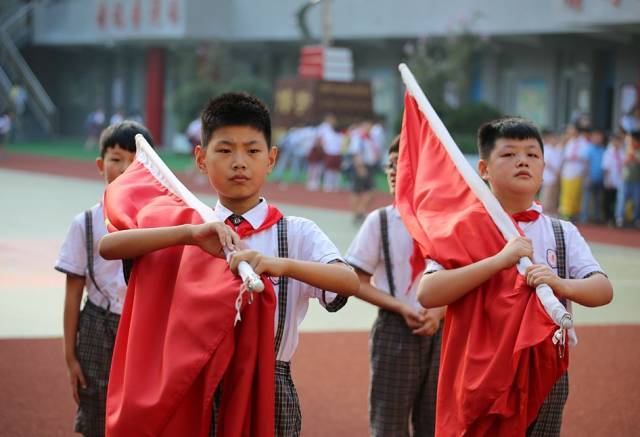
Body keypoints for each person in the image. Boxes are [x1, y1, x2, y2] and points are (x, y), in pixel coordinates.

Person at [99, 92, 360, 436]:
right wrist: (190, 234)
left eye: (252, 151)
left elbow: (348, 282)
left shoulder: (296, 233)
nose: (239, 162)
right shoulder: (190, 226)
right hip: (195, 378)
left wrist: (279, 265)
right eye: (224, 150)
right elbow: (109, 246)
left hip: (269, 382)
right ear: (201, 159)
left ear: (271, 159)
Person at [418, 117, 613, 436]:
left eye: (532, 155)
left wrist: (559, 283)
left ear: (544, 167)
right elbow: (429, 292)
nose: (523, 161)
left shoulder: (561, 232)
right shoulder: (464, 228)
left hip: (546, 367)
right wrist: (498, 261)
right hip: (478, 373)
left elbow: (602, 290)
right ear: (483, 169)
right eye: (509, 154)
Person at [54, 121, 155, 436]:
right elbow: (73, 294)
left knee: (142, 407)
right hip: (97, 325)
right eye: (115, 158)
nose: (124, 168)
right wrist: (70, 357)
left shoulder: (159, 225)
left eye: (135, 159)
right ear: (100, 164)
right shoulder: (85, 223)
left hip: (142, 325)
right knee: (96, 408)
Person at [345, 135, 444, 436]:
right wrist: (400, 306)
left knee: (437, 422)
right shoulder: (381, 221)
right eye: (389, 165)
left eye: (401, 164)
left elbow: (468, 277)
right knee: (389, 422)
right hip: (395, 329)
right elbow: (356, 281)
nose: (391, 171)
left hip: (443, 330)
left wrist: (439, 312)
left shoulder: (446, 222)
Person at [349, 120, 379, 224]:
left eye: (370, 125)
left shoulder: (371, 138)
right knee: (357, 191)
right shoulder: (358, 137)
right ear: (362, 126)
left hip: (370, 166)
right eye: (367, 125)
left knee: (370, 191)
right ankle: (357, 214)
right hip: (361, 166)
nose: (369, 127)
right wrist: (360, 167)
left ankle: (361, 211)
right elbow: (355, 153)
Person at [559, 124, 589, 220]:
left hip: (577, 171)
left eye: (571, 130)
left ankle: (574, 213)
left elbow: (584, 157)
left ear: (576, 131)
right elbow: (564, 156)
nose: (569, 132)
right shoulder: (569, 142)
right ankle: (565, 213)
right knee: (566, 193)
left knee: (576, 193)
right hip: (567, 171)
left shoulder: (583, 142)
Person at [580, 129, 607, 223]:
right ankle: (584, 217)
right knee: (587, 199)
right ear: (592, 137)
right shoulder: (589, 148)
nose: (598, 139)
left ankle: (597, 217)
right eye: (596, 136)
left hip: (600, 178)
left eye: (600, 137)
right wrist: (585, 177)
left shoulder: (603, 149)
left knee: (598, 199)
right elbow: (585, 163)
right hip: (589, 177)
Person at [615, 130, 640, 228]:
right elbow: (624, 161)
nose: (633, 142)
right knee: (622, 200)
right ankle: (619, 219)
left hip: (636, 180)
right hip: (624, 179)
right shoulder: (625, 148)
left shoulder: (637, 150)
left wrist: (633, 156)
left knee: (637, 201)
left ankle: (635, 219)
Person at [602, 132, 625, 224]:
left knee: (618, 201)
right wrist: (608, 180)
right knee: (609, 200)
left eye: (619, 141)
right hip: (611, 180)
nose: (617, 143)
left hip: (621, 180)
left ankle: (616, 218)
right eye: (615, 141)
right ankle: (608, 219)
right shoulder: (608, 152)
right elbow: (606, 167)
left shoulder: (622, 151)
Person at [540, 129, 563, 217]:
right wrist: (556, 172)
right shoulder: (547, 148)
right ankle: (545, 214)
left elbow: (560, 162)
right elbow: (546, 163)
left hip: (556, 177)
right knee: (546, 197)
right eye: (552, 138)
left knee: (554, 197)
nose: (554, 140)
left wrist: (558, 173)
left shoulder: (557, 150)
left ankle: (553, 214)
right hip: (548, 177)